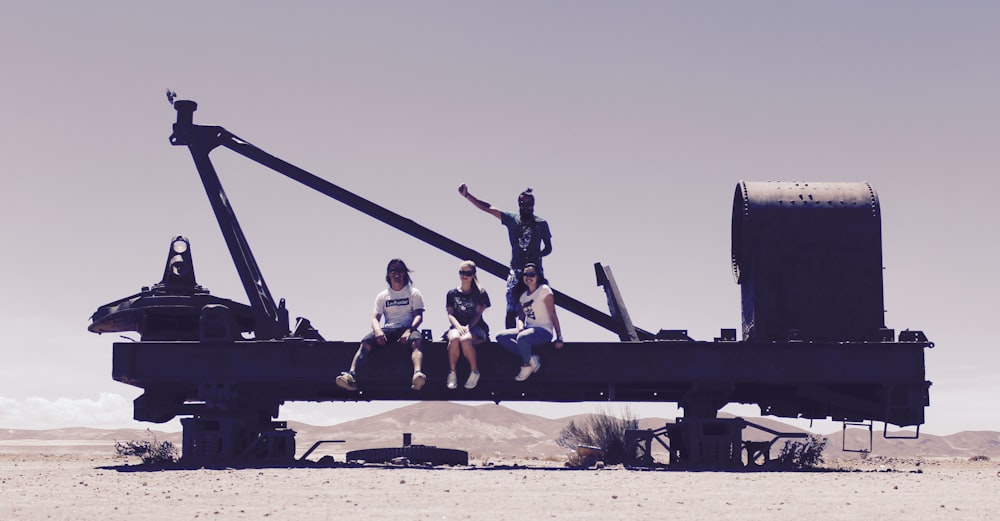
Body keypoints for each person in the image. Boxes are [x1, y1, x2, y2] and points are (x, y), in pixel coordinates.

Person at [458, 184, 552, 328]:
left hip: (535, 271)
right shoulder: (512, 219)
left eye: (529, 204)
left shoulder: (541, 223)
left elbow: (548, 248)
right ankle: (510, 337)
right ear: (519, 204)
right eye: (522, 203)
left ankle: (539, 336)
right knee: (511, 307)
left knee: (540, 305)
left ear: (533, 205)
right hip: (516, 270)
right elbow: (488, 208)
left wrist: (537, 254)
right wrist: (467, 195)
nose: (525, 207)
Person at [336, 259, 427, 391]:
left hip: (408, 327)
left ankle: (418, 374)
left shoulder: (414, 293)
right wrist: (378, 331)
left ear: (405, 274)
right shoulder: (382, 296)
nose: (396, 273)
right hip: (389, 328)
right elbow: (374, 318)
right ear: (388, 274)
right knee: (366, 342)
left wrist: (409, 331)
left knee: (416, 342)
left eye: (400, 270)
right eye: (393, 270)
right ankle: (351, 377)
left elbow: (418, 315)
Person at [495, 263, 564, 381]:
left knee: (522, 338)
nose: (528, 277)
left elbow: (553, 314)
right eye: (525, 274)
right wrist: (520, 328)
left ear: (537, 276)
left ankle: (526, 365)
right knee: (501, 336)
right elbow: (521, 318)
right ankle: (532, 358)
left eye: (531, 274)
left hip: (543, 331)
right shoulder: (523, 296)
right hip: (528, 330)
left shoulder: (544, 290)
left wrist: (559, 336)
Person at [444, 260, 491, 389]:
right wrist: (459, 327)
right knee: (454, 338)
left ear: (474, 274)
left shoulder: (480, 293)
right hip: (457, 326)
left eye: (468, 273)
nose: (464, 275)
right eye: (461, 272)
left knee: (466, 339)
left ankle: (474, 371)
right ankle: (452, 372)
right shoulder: (451, 294)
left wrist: (467, 327)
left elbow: (478, 314)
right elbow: (450, 314)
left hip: (476, 327)